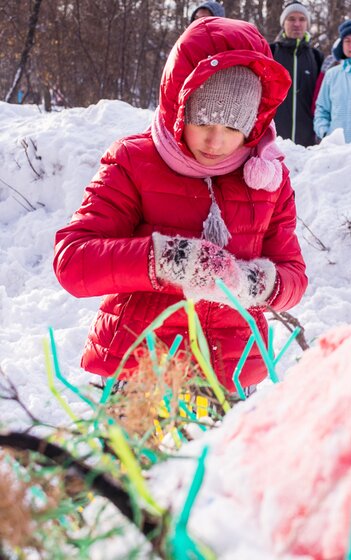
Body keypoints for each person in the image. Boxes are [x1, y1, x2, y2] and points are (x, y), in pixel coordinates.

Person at [53, 18, 308, 393]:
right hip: (138, 370)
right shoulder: (134, 161)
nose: (216, 141)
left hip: (229, 374)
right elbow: (74, 261)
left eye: (233, 127)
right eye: (203, 121)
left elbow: (293, 274)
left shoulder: (268, 179)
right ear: (180, 106)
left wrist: (256, 283)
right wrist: (167, 260)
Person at [270, 1, 324, 146]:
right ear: (283, 23)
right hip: (274, 141)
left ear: (307, 24)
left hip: (308, 143)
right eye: (291, 19)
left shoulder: (316, 56)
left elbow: (322, 99)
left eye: (302, 19)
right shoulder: (271, 52)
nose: (297, 24)